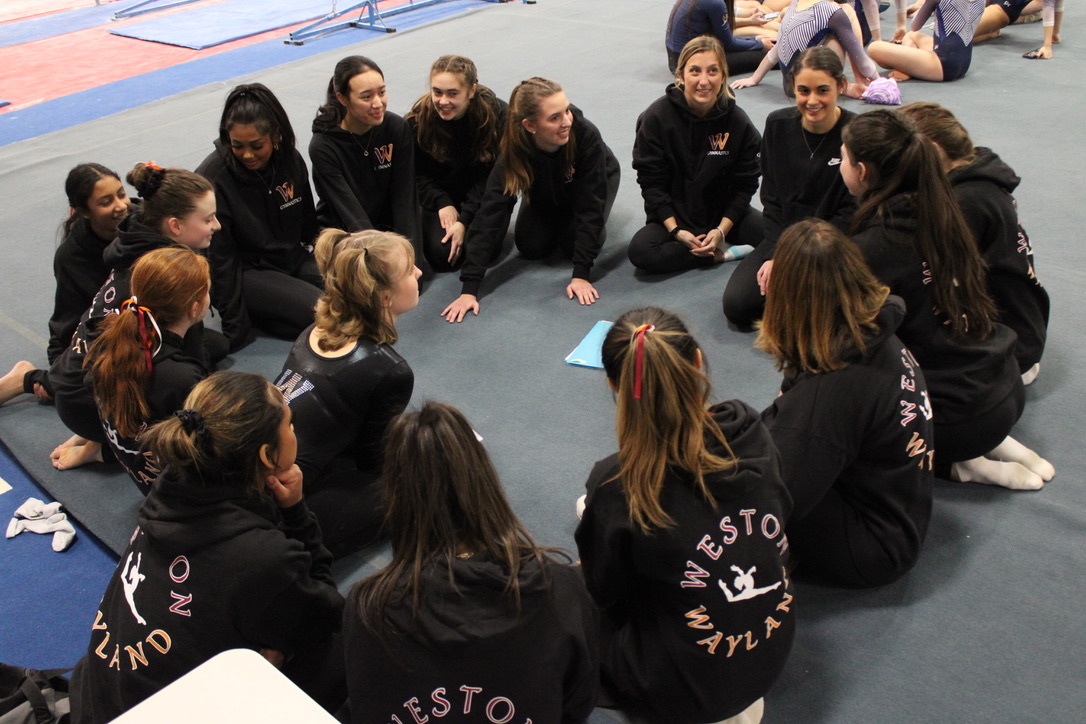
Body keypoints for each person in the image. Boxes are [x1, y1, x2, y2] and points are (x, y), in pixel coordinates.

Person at [68, 371, 345, 724]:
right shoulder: (263, 556)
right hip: (152, 712)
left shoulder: (170, 486)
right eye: (289, 425)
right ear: (266, 454)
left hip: (98, 703)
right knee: (346, 643)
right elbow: (327, 607)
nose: (295, 431)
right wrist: (296, 512)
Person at [575, 307, 795, 724]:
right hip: (768, 657)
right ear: (697, 362)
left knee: (565, 594)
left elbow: (604, 592)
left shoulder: (617, 485)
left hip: (685, 692)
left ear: (613, 385)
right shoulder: (751, 429)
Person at [343, 402, 599, 724]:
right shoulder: (562, 590)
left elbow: (369, 710)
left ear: (394, 493)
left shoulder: (367, 608)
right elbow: (577, 705)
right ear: (484, 481)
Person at [841, 110, 1054, 489]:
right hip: (1004, 379)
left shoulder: (873, 248)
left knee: (841, 401)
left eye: (843, 157)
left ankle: (960, 464)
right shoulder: (948, 206)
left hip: (960, 419)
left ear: (862, 172)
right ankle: (990, 438)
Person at [756, 219, 934, 587]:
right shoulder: (869, 331)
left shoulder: (831, 392)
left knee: (734, 508)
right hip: (900, 504)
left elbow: (774, 497)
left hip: (875, 543)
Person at [48, 163, 222, 472]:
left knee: (217, 344)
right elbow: (190, 381)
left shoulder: (143, 232)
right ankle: (103, 447)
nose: (217, 225)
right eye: (207, 219)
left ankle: (99, 436)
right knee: (194, 433)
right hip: (88, 402)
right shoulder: (169, 274)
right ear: (176, 227)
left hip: (84, 383)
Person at [274, 228, 418, 557]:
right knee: (418, 484)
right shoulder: (389, 369)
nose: (419, 273)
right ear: (384, 295)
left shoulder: (314, 330)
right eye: (410, 271)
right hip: (285, 495)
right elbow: (373, 460)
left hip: (276, 461)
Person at [441, 77, 621, 322]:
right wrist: (469, 288)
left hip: (593, 179)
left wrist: (581, 274)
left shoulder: (585, 134)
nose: (567, 121)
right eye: (554, 118)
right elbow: (491, 212)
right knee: (531, 246)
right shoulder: (514, 151)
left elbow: (591, 205)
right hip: (546, 184)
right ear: (530, 125)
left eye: (566, 111)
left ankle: (568, 224)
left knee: (575, 244)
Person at [899, 102, 1048, 384]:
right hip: (1022, 327)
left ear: (931, 149)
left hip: (1011, 352)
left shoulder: (966, 202)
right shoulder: (977, 172)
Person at [723, 47, 857, 329]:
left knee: (832, 315)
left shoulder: (856, 133)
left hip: (832, 243)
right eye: (803, 91)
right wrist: (775, 255)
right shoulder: (777, 125)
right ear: (793, 89)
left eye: (822, 90)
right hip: (784, 237)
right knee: (738, 306)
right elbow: (771, 199)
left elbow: (851, 212)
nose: (812, 100)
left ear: (841, 86)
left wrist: (803, 258)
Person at [196, 82, 321, 350]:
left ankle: (273, 312)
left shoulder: (291, 161)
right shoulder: (214, 178)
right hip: (247, 272)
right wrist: (235, 327)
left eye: (256, 145)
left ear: (275, 135)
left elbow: (309, 227)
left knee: (355, 290)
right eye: (237, 146)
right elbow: (220, 260)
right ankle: (261, 312)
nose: (247, 155)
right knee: (324, 312)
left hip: (290, 259)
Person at [629, 36, 764, 275]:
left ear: (723, 75)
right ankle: (721, 254)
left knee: (778, 236)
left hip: (722, 215)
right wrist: (676, 231)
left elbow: (746, 184)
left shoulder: (737, 121)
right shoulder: (656, 118)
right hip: (675, 216)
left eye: (713, 71)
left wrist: (722, 230)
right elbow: (651, 185)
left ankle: (719, 244)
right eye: (695, 71)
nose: (704, 81)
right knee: (641, 252)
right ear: (681, 76)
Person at [1, 164, 132, 407]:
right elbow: (72, 321)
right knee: (116, 382)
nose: (121, 205)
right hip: (96, 333)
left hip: (137, 323)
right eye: (106, 202)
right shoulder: (72, 256)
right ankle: (28, 379)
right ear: (82, 211)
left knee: (209, 348)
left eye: (121, 194)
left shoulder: (140, 221)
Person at [86, 246, 211, 492]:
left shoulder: (109, 342)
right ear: (195, 308)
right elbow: (209, 448)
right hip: (182, 497)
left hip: (145, 478)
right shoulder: (180, 377)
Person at [405, 55, 507, 273]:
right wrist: (442, 203)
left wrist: (465, 220)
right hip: (444, 198)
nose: (443, 101)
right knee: (442, 258)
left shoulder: (497, 118)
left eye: (453, 93)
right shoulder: (417, 122)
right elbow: (416, 175)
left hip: (485, 195)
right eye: (437, 92)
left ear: (471, 91)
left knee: (482, 253)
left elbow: (492, 177)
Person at [309, 56, 418, 245]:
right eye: (366, 97)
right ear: (342, 98)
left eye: (382, 93)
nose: (378, 104)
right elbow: (351, 214)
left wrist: (409, 257)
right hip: (348, 230)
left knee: (439, 255)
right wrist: (386, 260)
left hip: (387, 224)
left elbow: (405, 198)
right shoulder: (323, 146)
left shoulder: (396, 128)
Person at [730, 0, 879, 97]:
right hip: (809, 85)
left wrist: (754, 78)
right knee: (847, 17)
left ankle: (846, 84)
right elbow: (863, 61)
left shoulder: (795, 4)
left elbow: (774, 52)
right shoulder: (833, 11)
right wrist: (881, 83)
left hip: (789, 86)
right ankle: (845, 84)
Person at [867, 0, 985, 82]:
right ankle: (911, 66)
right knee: (912, 36)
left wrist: (928, 6)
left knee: (874, 48)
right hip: (964, 63)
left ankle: (908, 69)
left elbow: (915, 25)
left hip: (942, 65)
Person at [665, 0, 775, 77]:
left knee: (759, 46)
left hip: (677, 56)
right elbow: (728, 44)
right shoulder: (715, 3)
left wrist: (754, 39)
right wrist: (759, 43)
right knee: (766, 55)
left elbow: (723, 33)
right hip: (686, 62)